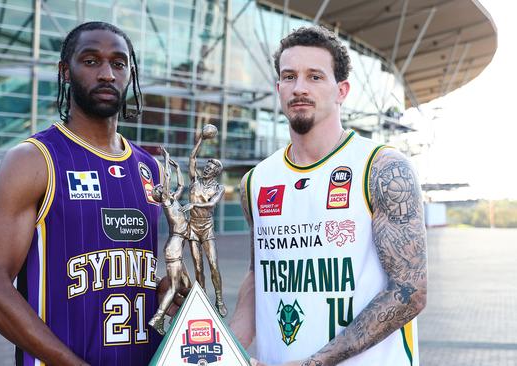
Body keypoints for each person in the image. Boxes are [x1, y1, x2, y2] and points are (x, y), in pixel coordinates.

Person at [0, 22, 168, 366]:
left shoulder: (149, 167)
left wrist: (169, 294)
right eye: (91, 61)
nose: (106, 74)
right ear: (65, 71)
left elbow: (134, 275)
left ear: (130, 74)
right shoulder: (34, 160)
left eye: (118, 64)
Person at [230, 26, 427, 366]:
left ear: (342, 90)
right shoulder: (256, 181)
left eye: (315, 77)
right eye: (289, 77)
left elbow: (409, 291)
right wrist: (227, 348)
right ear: (278, 88)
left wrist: (316, 362)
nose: (300, 88)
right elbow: (257, 275)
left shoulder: (381, 168)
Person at [181, 127, 228, 317]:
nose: (207, 168)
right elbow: (192, 159)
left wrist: (192, 204)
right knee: (198, 267)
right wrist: (200, 139)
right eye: (207, 166)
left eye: (211, 168)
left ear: (216, 172)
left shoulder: (220, 187)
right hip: (193, 228)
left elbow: (211, 204)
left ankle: (219, 299)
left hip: (207, 228)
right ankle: (202, 300)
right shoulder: (195, 180)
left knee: (214, 264)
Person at [148, 147, 192, 335]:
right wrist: (166, 160)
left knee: (187, 287)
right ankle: (158, 319)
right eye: (162, 190)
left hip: (178, 246)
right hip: (174, 246)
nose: (165, 189)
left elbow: (181, 185)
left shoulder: (174, 200)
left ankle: (184, 317)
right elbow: (166, 178)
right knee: (174, 287)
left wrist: (176, 167)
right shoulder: (166, 202)